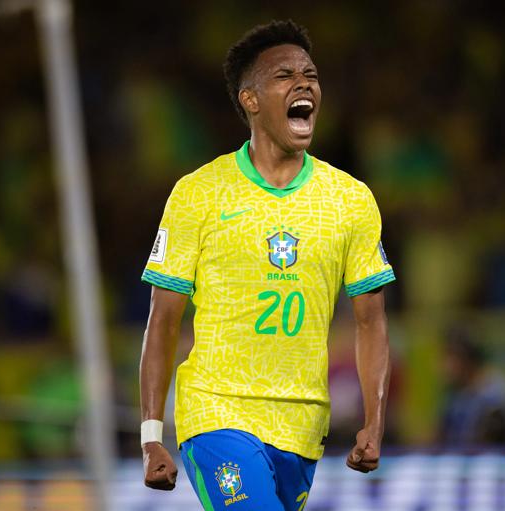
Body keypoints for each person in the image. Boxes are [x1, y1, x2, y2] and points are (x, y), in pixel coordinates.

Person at [139, 20, 395, 510]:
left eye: (311, 75)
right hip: (217, 412)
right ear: (250, 100)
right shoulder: (199, 193)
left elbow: (371, 321)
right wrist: (152, 435)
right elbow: (164, 318)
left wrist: (374, 421)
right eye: (284, 76)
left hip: (301, 425)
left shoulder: (350, 200)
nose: (303, 84)